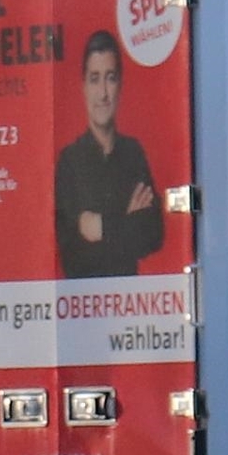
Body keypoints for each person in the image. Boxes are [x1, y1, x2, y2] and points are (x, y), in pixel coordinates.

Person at [54, 30, 163, 279]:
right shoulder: (69, 162)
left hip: (129, 305)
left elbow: (154, 234)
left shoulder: (133, 154)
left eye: (110, 78)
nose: (103, 93)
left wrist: (100, 227)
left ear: (120, 84)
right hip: (84, 308)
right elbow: (74, 257)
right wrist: (127, 225)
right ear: (83, 87)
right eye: (95, 79)